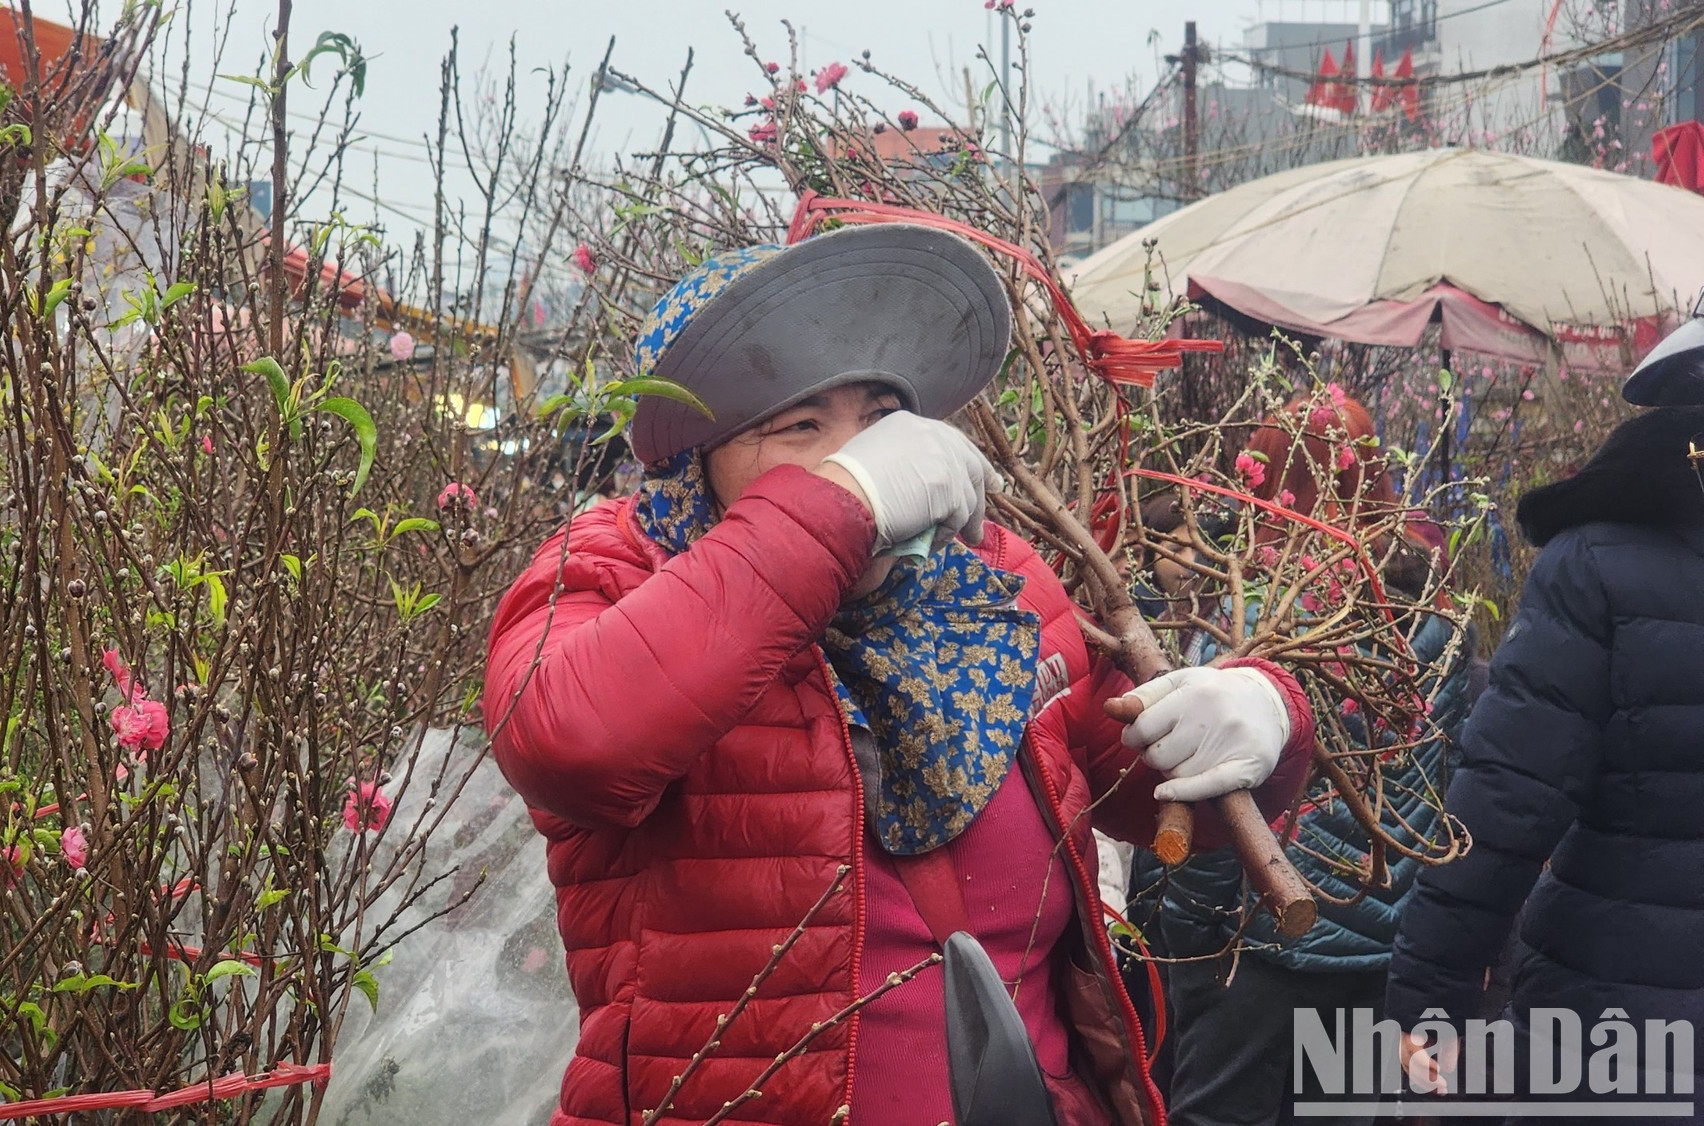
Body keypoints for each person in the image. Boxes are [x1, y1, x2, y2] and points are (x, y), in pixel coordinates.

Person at [482, 223, 1318, 1126]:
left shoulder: (989, 579)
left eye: (881, 420)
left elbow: (1135, 794)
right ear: (702, 457)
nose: (861, 453)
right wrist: (840, 507)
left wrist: (1265, 721)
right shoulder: (623, 566)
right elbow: (567, 742)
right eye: (801, 426)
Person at [1130, 392, 1474, 1126]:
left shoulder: (1240, 612)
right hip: (1377, 944)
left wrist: (1187, 930)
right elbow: (1442, 787)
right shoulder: (1436, 620)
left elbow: (1199, 794)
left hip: (1247, 939)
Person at [1384, 400, 1704, 1114]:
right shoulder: (1605, 568)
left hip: (1612, 1027)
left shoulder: (1598, 564)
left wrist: (1425, 1011)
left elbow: (1502, 809)